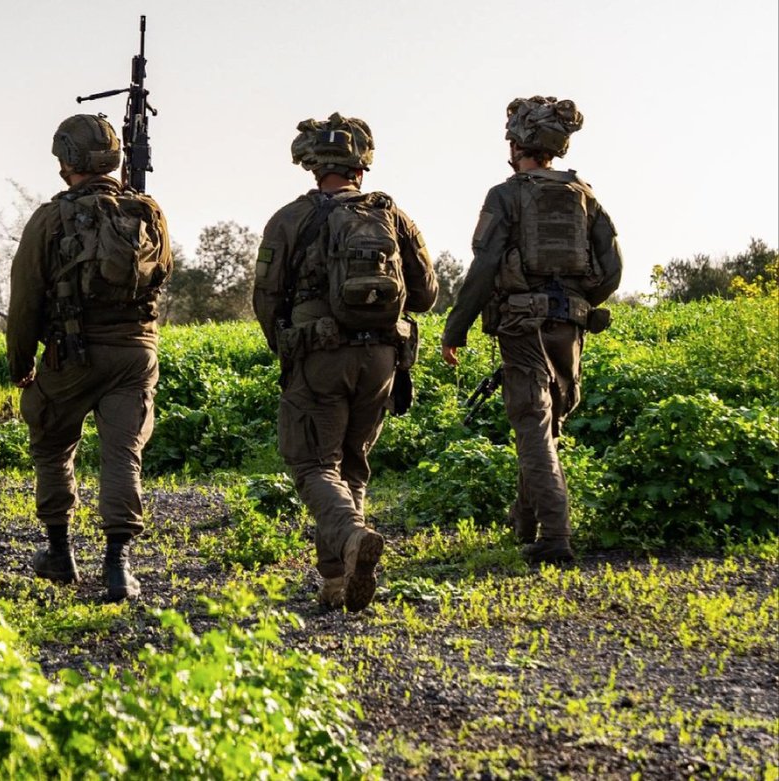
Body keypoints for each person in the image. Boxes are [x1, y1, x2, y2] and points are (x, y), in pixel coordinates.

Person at [253, 114, 437, 612]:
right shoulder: (392, 216)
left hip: (320, 354)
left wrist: (288, 347)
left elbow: (266, 298)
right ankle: (336, 581)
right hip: (381, 357)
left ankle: (353, 539)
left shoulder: (291, 218)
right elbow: (426, 294)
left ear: (312, 163)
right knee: (351, 464)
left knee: (313, 463)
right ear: (362, 162)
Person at [441, 96, 622, 565]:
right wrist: (578, 303)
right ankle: (524, 521)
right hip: (572, 324)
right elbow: (612, 269)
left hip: (523, 326)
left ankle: (556, 536)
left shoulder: (506, 195)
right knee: (548, 424)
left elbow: (484, 266)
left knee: (532, 425)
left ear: (516, 144)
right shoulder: (586, 194)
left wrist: (455, 329)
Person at [8, 114, 172, 602]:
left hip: (70, 352)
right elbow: (162, 271)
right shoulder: (148, 211)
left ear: (67, 161)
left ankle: (59, 552)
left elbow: (26, 300)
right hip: (136, 352)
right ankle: (118, 565)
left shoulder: (49, 218)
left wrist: (21, 365)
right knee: (124, 454)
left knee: (53, 443)